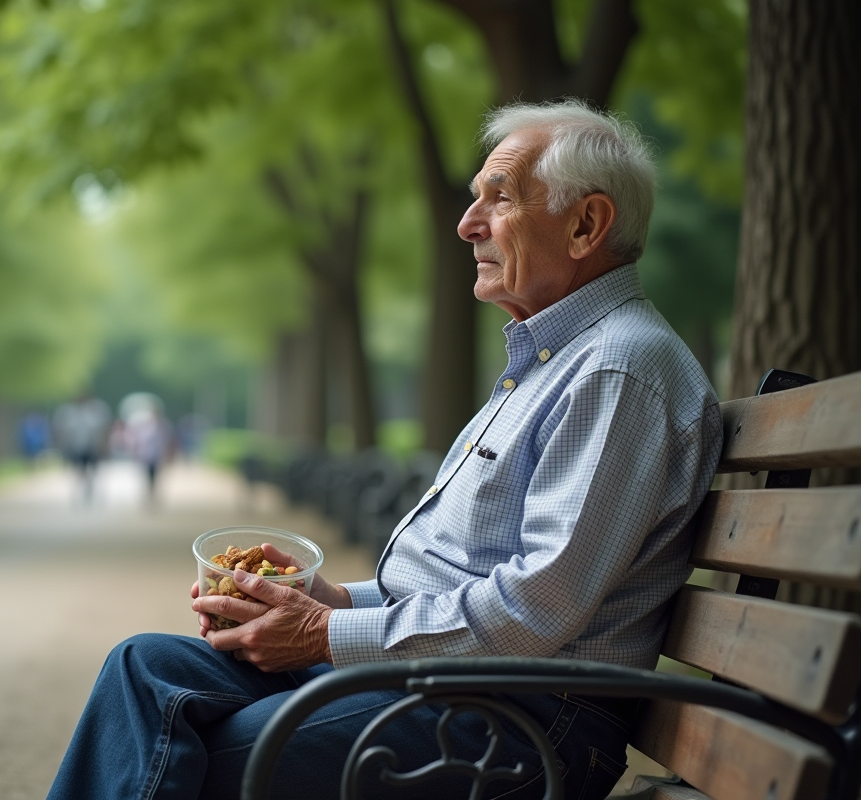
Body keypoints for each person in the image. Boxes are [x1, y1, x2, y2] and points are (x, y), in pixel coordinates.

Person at [44, 100, 724, 800]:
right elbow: (473, 584)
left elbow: (534, 610)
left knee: (184, 755)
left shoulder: (617, 370)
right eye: (473, 200)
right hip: (458, 687)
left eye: (500, 197)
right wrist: (331, 600)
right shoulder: (557, 362)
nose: (468, 224)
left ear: (586, 225)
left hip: (522, 722)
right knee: (145, 667)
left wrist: (324, 634)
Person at [53, 393, 111, 502]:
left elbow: (103, 430)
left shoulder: (96, 411)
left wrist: (103, 445)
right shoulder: (69, 412)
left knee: (92, 470)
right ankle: (82, 488)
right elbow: (63, 430)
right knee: (79, 470)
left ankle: (89, 488)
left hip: (92, 447)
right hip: (76, 446)